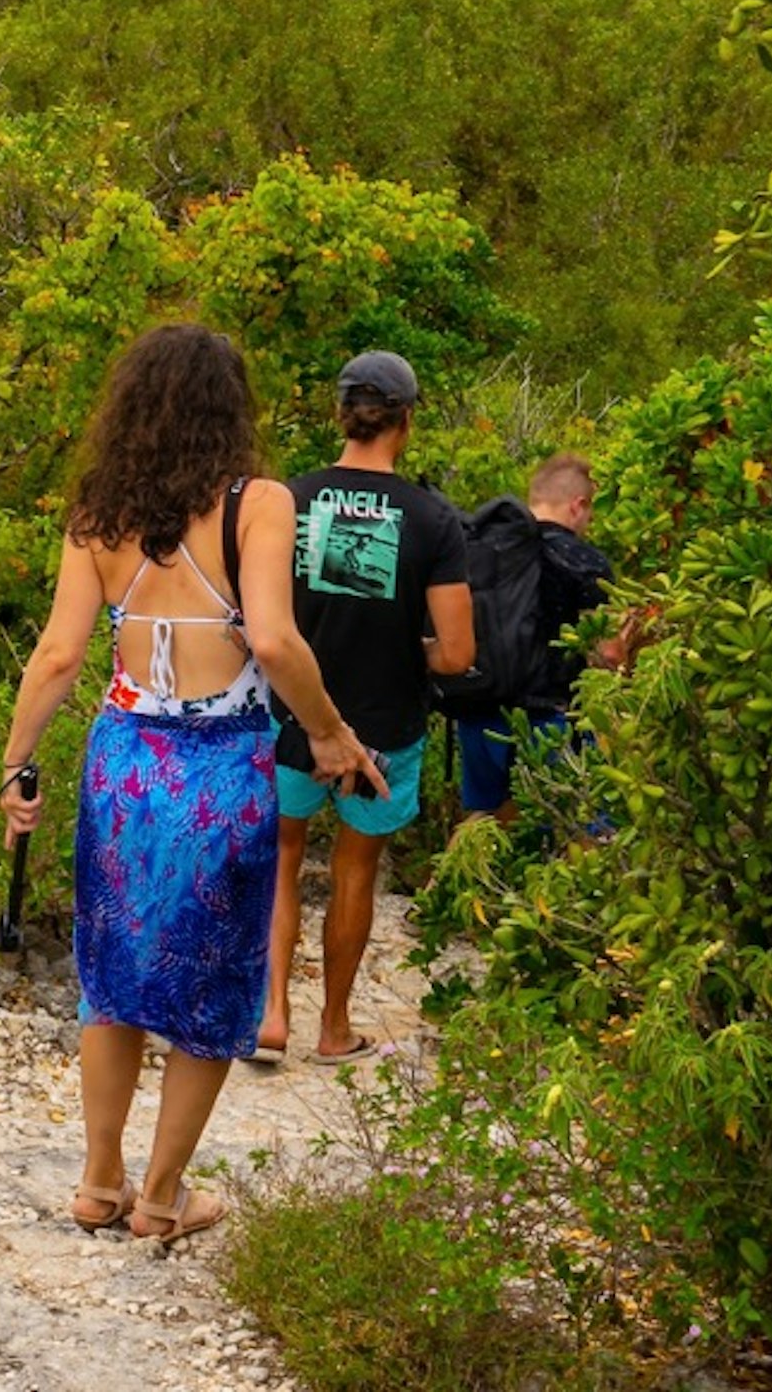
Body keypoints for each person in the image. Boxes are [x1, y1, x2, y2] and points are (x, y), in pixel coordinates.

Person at [0, 323, 382, 1245]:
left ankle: (98, 1182)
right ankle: (163, 1199)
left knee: (115, 970)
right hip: (220, 769)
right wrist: (329, 735)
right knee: (214, 980)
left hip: (124, 763)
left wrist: (16, 766)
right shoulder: (260, 502)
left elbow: (57, 656)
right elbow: (278, 643)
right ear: (230, 409)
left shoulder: (98, 512)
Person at [259, 350, 474, 1064]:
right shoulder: (433, 520)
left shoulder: (289, 501)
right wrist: (404, 644)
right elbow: (457, 652)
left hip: (291, 715)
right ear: (405, 422)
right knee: (355, 869)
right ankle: (335, 1029)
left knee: (282, 857)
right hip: (384, 725)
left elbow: (259, 621)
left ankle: (271, 1015)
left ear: (340, 414)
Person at [450, 453, 614, 826]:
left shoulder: (485, 548)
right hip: (550, 717)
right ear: (579, 505)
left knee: (484, 821)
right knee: (586, 818)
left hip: (479, 709)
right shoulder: (584, 561)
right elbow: (604, 653)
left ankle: (451, 884)